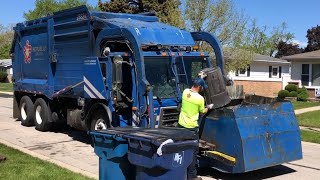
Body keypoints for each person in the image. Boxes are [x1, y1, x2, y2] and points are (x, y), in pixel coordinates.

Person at [177, 78, 214, 180]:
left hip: (180, 126)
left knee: (180, 149)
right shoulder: (199, 99)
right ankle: (192, 176)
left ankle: (179, 172)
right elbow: (202, 112)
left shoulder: (185, 92)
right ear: (200, 87)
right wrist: (209, 107)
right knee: (192, 152)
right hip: (191, 129)